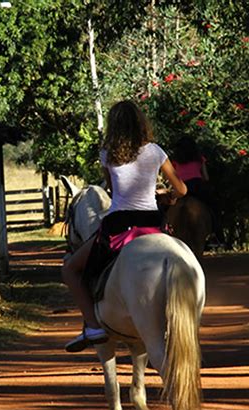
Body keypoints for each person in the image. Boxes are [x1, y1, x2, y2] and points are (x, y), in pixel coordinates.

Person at [62, 100, 187, 353]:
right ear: (141, 122)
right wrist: (165, 196)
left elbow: (112, 190)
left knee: (71, 269)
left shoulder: (108, 155)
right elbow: (182, 189)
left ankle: (93, 326)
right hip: (151, 226)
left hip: (118, 226)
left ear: (113, 126)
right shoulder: (155, 151)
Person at [170, 135, 225, 245]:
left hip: (182, 187)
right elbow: (206, 177)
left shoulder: (175, 160)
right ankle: (217, 235)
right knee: (214, 207)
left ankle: (162, 230)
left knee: (164, 207)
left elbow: (173, 177)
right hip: (198, 186)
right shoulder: (200, 159)